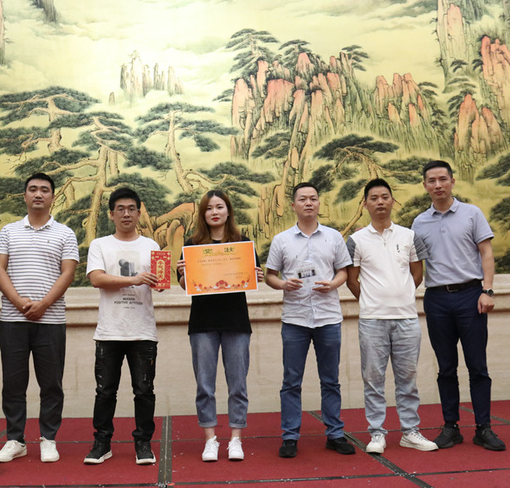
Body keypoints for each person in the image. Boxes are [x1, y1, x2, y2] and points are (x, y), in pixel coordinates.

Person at [412, 160, 506, 451]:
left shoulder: (471, 213)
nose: (438, 185)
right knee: (446, 367)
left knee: (477, 365)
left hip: (470, 296)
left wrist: (487, 290)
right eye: (431, 181)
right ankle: (451, 427)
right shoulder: (419, 222)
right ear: (425, 186)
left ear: (452, 181)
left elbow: (486, 252)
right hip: (437, 299)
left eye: (443, 179)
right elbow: (413, 265)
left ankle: (483, 427)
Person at [346, 178, 438, 454]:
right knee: (373, 379)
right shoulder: (356, 240)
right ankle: (377, 433)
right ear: (365, 204)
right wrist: (372, 300)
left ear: (392, 201)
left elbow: (417, 273)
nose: (380, 202)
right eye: (374, 198)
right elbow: (352, 279)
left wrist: (402, 295)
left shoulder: (408, 236)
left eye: (385, 197)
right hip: (372, 320)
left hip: (407, 319)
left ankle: (410, 431)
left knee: (407, 378)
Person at [0, 173, 79, 464]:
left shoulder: (65, 233)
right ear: (25, 195)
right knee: (13, 384)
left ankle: (48, 439)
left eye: (44, 190)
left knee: (51, 384)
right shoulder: (9, 231)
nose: (38, 194)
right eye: (32, 189)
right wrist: (18, 303)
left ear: (53, 197)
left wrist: (44, 304)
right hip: (13, 320)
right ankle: (15, 440)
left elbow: (68, 272)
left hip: (50, 321)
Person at [265, 182, 355, 458]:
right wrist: (283, 285)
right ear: (293, 205)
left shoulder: (334, 237)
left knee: (331, 380)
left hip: (328, 317)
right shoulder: (281, 240)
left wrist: (333, 284)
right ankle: (290, 437)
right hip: (295, 319)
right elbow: (270, 276)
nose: (308, 203)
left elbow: (344, 271)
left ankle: (335, 434)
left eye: (313, 199)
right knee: (291, 381)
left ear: (318, 204)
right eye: (302, 199)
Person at [176, 190, 264, 462]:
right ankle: (210, 439)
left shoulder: (242, 244)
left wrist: (256, 275)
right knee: (205, 385)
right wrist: (184, 274)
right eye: (209, 208)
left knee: (238, 384)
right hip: (203, 323)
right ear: (203, 214)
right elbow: (185, 286)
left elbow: (253, 278)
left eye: (219, 207)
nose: (214, 212)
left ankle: (236, 439)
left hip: (236, 321)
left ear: (228, 211)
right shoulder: (192, 245)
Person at [83, 187, 163, 466]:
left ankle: (143, 442)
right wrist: (134, 279)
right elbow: (96, 279)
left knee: (144, 391)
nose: (126, 213)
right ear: (111, 214)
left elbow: (161, 285)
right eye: (120, 209)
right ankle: (102, 442)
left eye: (131, 209)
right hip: (110, 330)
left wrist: (167, 278)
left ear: (139, 213)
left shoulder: (151, 246)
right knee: (105, 391)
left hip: (143, 330)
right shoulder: (100, 245)